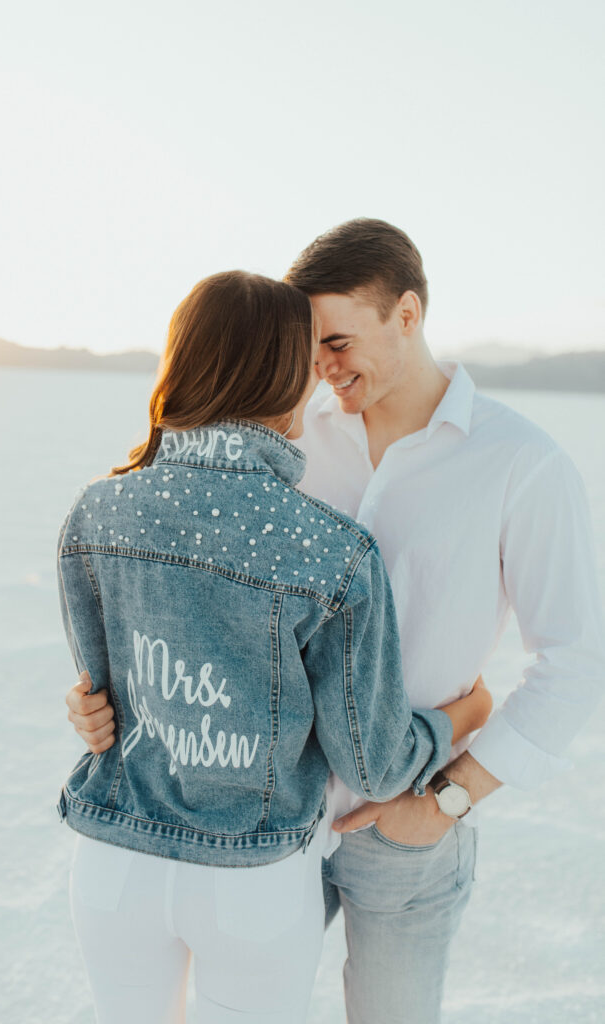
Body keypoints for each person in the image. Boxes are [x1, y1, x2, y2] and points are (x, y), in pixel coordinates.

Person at [67, 222, 605, 1024]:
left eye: (338, 342)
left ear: (407, 314)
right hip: (253, 816)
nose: (321, 367)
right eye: (306, 349)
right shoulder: (285, 430)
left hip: (405, 818)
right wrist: (109, 697)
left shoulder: (520, 463)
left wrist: (447, 799)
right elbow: (189, 599)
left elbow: (577, 661)